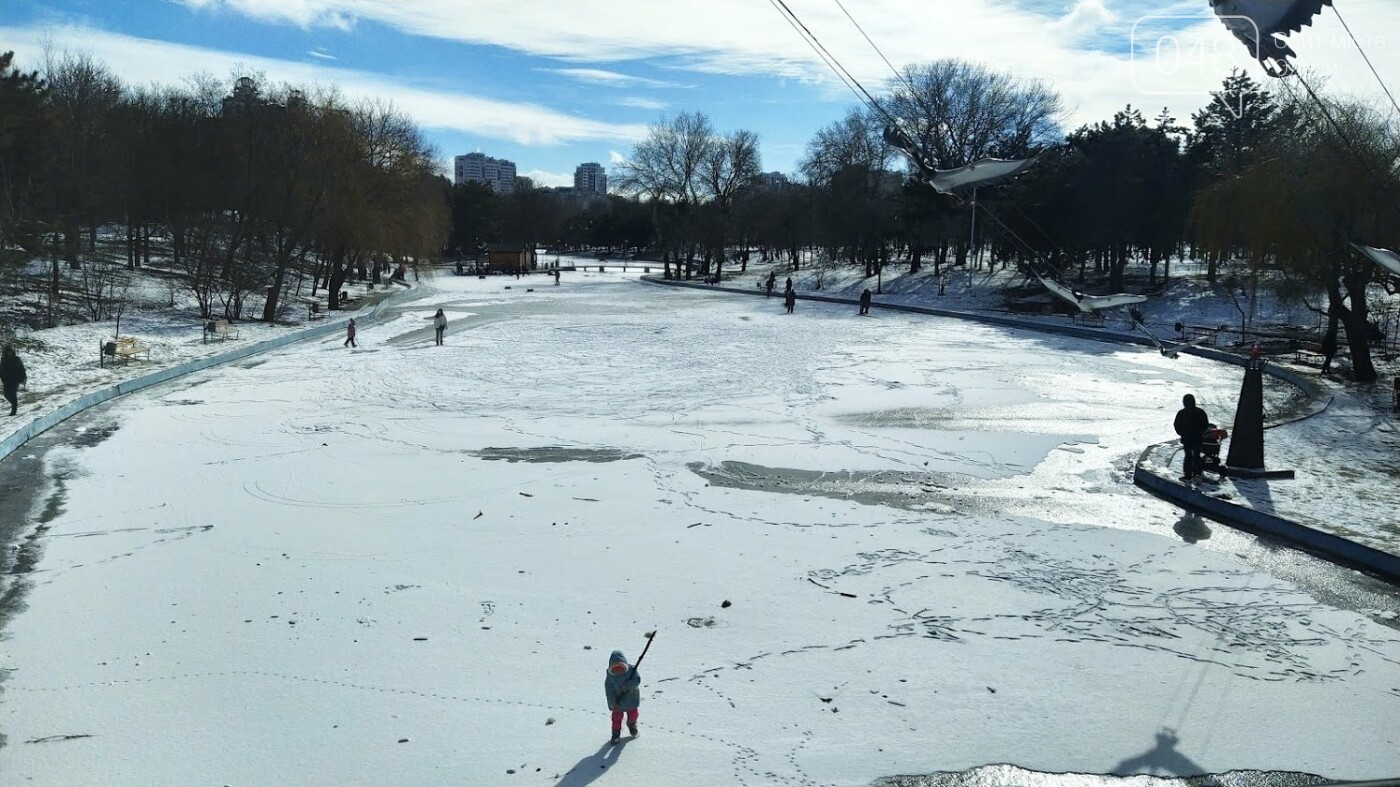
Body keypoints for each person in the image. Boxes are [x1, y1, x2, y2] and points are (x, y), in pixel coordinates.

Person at [605, 650, 641, 743]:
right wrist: (612, 702)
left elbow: (637, 680)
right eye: (615, 668)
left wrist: (627, 686)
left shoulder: (631, 670)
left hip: (631, 698)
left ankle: (631, 724)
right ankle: (616, 733)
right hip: (618, 701)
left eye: (620, 668)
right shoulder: (610, 676)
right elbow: (609, 690)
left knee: (633, 714)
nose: (618, 671)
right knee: (616, 718)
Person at [1173, 393, 1210, 482]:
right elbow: (1205, 424)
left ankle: (1188, 475)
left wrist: (1181, 433)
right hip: (1197, 438)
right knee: (1197, 456)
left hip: (1187, 439)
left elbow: (1177, 425)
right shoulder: (1200, 412)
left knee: (1188, 457)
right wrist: (1200, 432)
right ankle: (1197, 474)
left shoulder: (1182, 413)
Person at [1, 345, 26, 417]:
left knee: (13, 394)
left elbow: (22, 368)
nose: (9, 353)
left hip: (15, 379)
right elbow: (1, 369)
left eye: (10, 352)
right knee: (6, 395)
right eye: (8, 352)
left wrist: (24, 377)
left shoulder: (16, 359)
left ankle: (14, 410)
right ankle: (14, 403)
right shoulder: (3, 360)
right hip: (6, 380)